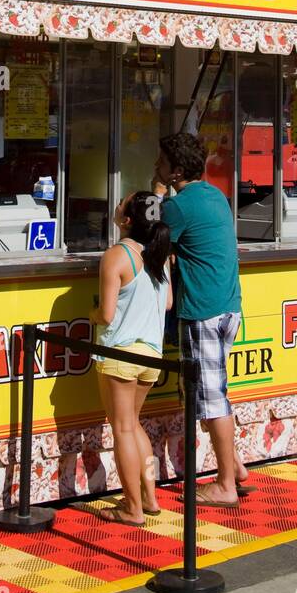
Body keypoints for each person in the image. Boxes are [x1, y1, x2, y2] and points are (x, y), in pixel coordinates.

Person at [154, 131, 253, 507]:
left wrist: (159, 196)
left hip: (203, 310)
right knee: (203, 394)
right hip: (228, 305)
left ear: (176, 169)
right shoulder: (214, 196)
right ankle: (237, 467)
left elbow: (151, 243)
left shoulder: (178, 207)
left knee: (211, 400)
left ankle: (226, 485)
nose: (156, 166)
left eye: (162, 161)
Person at [90, 191, 172, 526]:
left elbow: (107, 315)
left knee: (123, 428)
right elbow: (167, 304)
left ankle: (132, 508)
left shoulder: (115, 256)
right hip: (151, 354)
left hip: (120, 353)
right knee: (135, 425)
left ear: (126, 220)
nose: (117, 201)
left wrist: (91, 313)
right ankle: (150, 497)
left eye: (122, 201)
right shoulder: (160, 255)